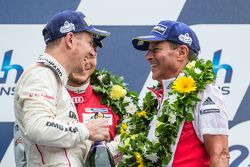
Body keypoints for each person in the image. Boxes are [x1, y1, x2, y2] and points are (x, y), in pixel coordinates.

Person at [14, 10, 111, 166]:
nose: (91, 51)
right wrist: (87, 130)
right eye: (89, 42)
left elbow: (66, 150)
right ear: (70, 39)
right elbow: (37, 127)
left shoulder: (55, 78)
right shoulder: (41, 74)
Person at [130, 20, 229, 166]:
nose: (148, 56)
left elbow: (220, 154)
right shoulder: (156, 98)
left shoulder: (204, 92)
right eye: (148, 51)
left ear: (181, 52)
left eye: (156, 50)